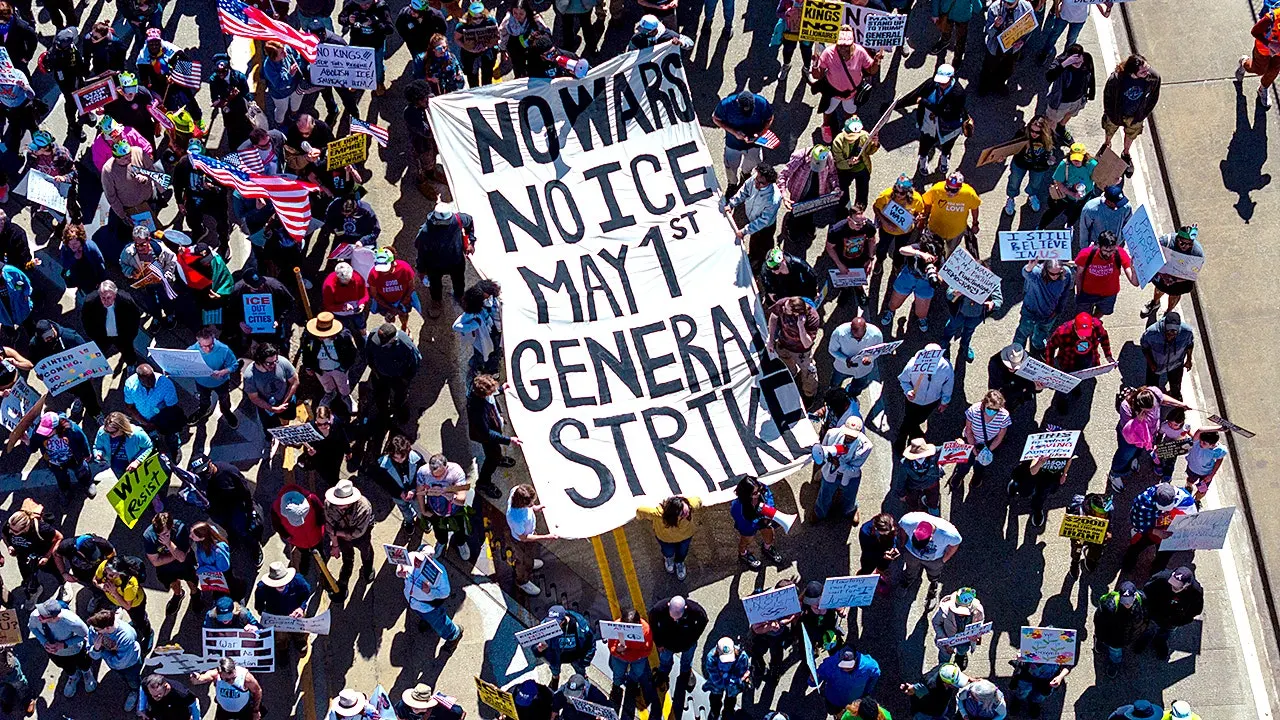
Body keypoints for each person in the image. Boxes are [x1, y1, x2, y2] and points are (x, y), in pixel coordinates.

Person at [1110, 386, 1190, 492]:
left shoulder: (1152, 393)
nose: (1152, 411)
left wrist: (1180, 404)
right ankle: (1115, 474)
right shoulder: (1126, 407)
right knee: (1125, 455)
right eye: (1148, 410)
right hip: (1131, 439)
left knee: (1138, 451)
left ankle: (1134, 459)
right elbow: (1127, 432)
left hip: (1147, 437)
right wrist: (1137, 420)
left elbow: (1161, 398)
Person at [897, 64, 972, 174]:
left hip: (949, 125)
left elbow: (946, 114)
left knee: (948, 144)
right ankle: (923, 158)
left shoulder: (958, 94)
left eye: (944, 82)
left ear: (951, 78)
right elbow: (915, 95)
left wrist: (924, 102)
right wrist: (896, 106)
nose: (941, 84)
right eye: (939, 81)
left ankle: (944, 157)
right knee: (925, 143)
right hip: (929, 123)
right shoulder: (932, 83)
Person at [812, 30, 878, 143]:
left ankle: (849, 129)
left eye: (846, 45)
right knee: (828, 110)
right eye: (840, 45)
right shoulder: (828, 53)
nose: (843, 48)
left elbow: (871, 70)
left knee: (850, 112)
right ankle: (826, 126)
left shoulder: (860, 52)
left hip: (852, 93)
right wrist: (815, 64)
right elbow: (818, 75)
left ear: (852, 43)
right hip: (833, 92)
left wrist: (876, 61)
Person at [1102, 53, 1161, 177]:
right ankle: (1106, 145)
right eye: (1143, 72)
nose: (1147, 73)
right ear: (1132, 73)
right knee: (1109, 129)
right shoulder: (1116, 79)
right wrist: (1111, 115)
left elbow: (1153, 98)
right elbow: (1107, 98)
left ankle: (1126, 153)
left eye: (1147, 68)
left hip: (1135, 116)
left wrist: (1142, 115)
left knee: (1131, 134)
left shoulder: (1153, 78)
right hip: (1116, 114)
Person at [415, 202, 475, 316]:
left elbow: (470, 221)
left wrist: (471, 241)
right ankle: (436, 301)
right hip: (434, 265)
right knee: (434, 284)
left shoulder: (458, 219)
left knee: (459, 281)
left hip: (456, 260)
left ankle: (459, 295)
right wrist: (421, 269)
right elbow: (421, 252)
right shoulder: (425, 232)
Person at [879, 232, 946, 334]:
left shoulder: (940, 258)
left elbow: (942, 278)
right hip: (909, 276)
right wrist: (920, 254)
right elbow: (902, 250)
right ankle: (890, 311)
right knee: (894, 303)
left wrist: (935, 274)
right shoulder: (919, 247)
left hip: (925, 283)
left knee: (921, 312)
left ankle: (922, 319)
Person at [1121, 482, 1196, 572]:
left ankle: (1156, 573)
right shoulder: (1143, 503)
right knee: (1136, 547)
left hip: (1170, 535)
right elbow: (1138, 522)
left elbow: (1194, 521)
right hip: (1149, 531)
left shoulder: (1186, 500)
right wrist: (1155, 532)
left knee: (1163, 559)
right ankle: (1128, 564)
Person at [894, 343, 954, 455]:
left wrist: (945, 401)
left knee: (919, 419)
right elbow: (903, 380)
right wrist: (908, 391)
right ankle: (901, 441)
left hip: (931, 402)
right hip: (913, 401)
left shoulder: (946, 368)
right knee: (908, 421)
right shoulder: (913, 364)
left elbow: (948, 385)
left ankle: (913, 437)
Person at [777, 145, 839, 250]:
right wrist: (784, 195)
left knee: (811, 212)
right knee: (796, 215)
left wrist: (836, 187)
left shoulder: (828, 156)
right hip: (799, 193)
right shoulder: (799, 157)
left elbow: (832, 174)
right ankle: (791, 228)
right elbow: (783, 175)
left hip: (818, 193)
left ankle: (807, 226)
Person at [30, 598, 94, 698]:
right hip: (54, 652)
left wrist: (64, 644)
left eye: (43, 616)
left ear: (54, 617)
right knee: (66, 667)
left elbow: (86, 635)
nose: (38, 617)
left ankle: (87, 673)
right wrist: (44, 642)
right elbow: (32, 628)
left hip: (74, 650)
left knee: (84, 663)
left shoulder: (72, 621)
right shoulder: (35, 615)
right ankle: (73, 677)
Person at [399, 548, 465, 644]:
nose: (416, 563)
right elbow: (400, 567)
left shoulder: (440, 573)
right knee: (424, 616)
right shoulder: (411, 558)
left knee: (440, 623)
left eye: (420, 561)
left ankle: (454, 634)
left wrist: (429, 591)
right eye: (416, 558)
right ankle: (426, 620)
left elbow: (445, 593)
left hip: (428, 607)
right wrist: (400, 573)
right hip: (413, 602)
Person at [724, 163, 783, 269]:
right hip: (753, 219)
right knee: (754, 243)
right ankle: (753, 257)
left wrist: (744, 231)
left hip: (765, 227)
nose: (756, 184)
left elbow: (763, 221)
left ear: (769, 182)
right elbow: (744, 191)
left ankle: (760, 264)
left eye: (761, 183)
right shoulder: (755, 179)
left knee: (762, 245)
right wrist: (732, 204)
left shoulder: (773, 199)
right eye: (756, 179)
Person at [712, 90, 774, 190]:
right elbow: (716, 119)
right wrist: (734, 132)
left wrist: (760, 133)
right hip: (733, 143)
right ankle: (732, 184)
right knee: (730, 166)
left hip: (754, 143)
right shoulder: (726, 105)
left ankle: (745, 174)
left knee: (753, 162)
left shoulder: (762, 103)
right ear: (737, 103)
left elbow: (769, 118)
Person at [1138, 567, 1203, 660]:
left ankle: (1159, 642)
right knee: (1148, 628)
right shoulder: (1161, 578)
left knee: (1165, 633)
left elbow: (1195, 610)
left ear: (1186, 585)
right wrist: (1149, 610)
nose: (1172, 587)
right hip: (1154, 614)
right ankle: (1144, 639)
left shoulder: (1196, 592)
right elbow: (1147, 591)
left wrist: (1180, 622)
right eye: (1171, 583)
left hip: (1172, 621)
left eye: (1176, 587)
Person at [828, 317, 886, 421]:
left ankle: (850, 398)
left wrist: (870, 358)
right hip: (842, 367)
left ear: (865, 329)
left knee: (858, 386)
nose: (856, 339)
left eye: (859, 338)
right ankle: (833, 399)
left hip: (863, 369)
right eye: (853, 336)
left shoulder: (876, 334)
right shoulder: (839, 332)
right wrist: (845, 359)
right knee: (835, 384)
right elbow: (832, 350)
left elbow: (878, 350)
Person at [123, 364, 186, 461]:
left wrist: (157, 422)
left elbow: (172, 408)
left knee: (171, 434)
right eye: (146, 381)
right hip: (142, 419)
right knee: (148, 438)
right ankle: (153, 448)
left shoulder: (166, 384)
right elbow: (130, 407)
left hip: (163, 416)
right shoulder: (130, 385)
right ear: (139, 379)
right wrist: (145, 422)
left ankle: (175, 447)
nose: (151, 383)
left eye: (152, 378)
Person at [416, 452, 472, 561]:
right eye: (434, 476)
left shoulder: (456, 472)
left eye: (441, 475)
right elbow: (420, 491)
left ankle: (461, 543)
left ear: (446, 467)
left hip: (455, 510)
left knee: (459, 529)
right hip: (434, 510)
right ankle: (441, 542)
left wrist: (447, 495)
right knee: (438, 529)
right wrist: (423, 510)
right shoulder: (423, 472)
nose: (438, 479)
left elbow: (462, 500)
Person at [814, 415, 872, 520]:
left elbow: (855, 467)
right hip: (831, 471)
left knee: (850, 496)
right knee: (824, 494)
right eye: (847, 433)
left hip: (850, 475)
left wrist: (840, 464)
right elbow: (823, 450)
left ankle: (851, 511)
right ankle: (819, 513)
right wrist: (829, 459)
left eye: (853, 436)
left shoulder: (866, 446)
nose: (849, 437)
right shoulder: (832, 433)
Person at [949, 390, 1011, 488]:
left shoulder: (1004, 416)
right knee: (964, 463)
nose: (992, 411)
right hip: (971, 439)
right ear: (984, 403)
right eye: (989, 408)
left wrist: (987, 450)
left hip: (988, 443)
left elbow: (1000, 437)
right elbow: (969, 431)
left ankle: (977, 476)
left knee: (981, 464)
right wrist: (973, 449)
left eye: (996, 410)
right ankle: (959, 475)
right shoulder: (974, 411)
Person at [468, 373, 516, 499]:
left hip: (493, 429)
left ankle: (498, 458)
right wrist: (508, 440)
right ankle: (483, 483)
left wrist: (501, 389)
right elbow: (486, 433)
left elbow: (493, 396)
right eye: (492, 390)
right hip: (487, 436)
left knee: (495, 451)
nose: (494, 390)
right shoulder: (477, 410)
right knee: (491, 457)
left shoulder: (483, 395)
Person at [86, 608, 144, 710]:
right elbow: (92, 654)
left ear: (108, 628)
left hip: (130, 664)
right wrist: (95, 649)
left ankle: (135, 691)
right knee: (122, 676)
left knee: (133, 680)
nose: (94, 631)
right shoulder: (95, 627)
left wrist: (101, 651)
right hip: (115, 663)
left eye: (97, 630)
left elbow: (119, 663)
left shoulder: (126, 636)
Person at [944, 263, 1002, 364]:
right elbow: (948, 294)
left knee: (969, 331)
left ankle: (965, 346)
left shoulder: (992, 282)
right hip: (959, 313)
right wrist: (955, 293)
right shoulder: (963, 277)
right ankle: (945, 342)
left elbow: (998, 301)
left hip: (976, 316)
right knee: (951, 327)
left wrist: (992, 304)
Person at [871, 174, 924, 282]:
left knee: (900, 250)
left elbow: (920, 212)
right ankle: (879, 261)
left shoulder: (916, 199)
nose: (898, 195)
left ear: (908, 192)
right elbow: (876, 207)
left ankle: (897, 265)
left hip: (905, 231)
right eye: (896, 191)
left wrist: (918, 218)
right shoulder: (886, 195)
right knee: (882, 247)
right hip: (886, 229)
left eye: (902, 193)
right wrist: (884, 222)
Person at [243, 343, 299, 445]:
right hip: (266, 407)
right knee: (268, 428)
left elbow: (295, 382)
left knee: (287, 419)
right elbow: (254, 398)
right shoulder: (250, 376)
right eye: (269, 363)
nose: (274, 365)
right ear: (260, 360)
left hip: (286, 401)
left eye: (275, 361)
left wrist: (284, 403)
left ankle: (286, 433)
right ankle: (269, 439)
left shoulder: (282, 362)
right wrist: (272, 409)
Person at [765, 296, 821, 400]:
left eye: (786, 310)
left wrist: (801, 327)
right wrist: (771, 339)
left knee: (808, 372)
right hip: (784, 344)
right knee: (785, 364)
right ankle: (791, 375)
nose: (783, 309)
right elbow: (774, 317)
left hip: (802, 352)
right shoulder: (784, 303)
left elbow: (807, 344)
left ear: (796, 313)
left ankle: (809, 394)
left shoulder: (812, 318)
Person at [1013, 260, 1073, 355]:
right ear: (1045, 270)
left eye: (1058, 273)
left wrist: (1058, 310)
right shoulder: (1037, 274)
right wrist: (1030, 266)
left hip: (1049, 314)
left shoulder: (1067, 274)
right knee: (1022, 334)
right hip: (1030, 313)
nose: (1055, 276)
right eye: (1052, 274)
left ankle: (1040, 348)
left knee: (1042, 335)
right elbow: (1026, 273)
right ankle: (1016, 352)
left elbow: (1065, 293)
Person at [635, 495, 701, 580]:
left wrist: (639, 517)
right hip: (666, 539)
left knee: (682, 552)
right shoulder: (658, 514)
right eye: (683, 514)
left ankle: (679, 562)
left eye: (688, 510)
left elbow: (698, 500)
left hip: (685, 537)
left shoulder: (690, 506)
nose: (687, 514)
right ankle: (669, 559)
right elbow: (640, 511)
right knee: (668, 552)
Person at [823, 208, 877, 310]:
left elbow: (872, 240)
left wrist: (870, 259)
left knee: (860, 276)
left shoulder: (868, 226)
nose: (861, 226)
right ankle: (845, 290)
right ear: (849, 219)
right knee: (845, 277)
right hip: (843, 259)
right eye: (857, 223)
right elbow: (830, 247)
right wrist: (839, 264)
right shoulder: (837, 230)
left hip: (861, 258)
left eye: (863, 222)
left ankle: (859, 290)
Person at [143, 513, 199, 613]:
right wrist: (175, 554)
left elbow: (182, 558)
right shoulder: (148, 536)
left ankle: (195, 594)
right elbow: (156, 562)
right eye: (158, 534)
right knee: (173, 583)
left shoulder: (180, 528)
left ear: (171, 526)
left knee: (192, 581)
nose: (161, 537)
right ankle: (178, 594)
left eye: (165, 533)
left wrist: (168, 544)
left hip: (185, 565)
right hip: (165, 568)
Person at [649, 596, 707, 689]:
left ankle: (686, 671)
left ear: (685, 608)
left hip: (687, 644)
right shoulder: (658, 609)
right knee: (665, 660)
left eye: (678, 617)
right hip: (666, 644)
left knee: (687, 660)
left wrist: (694, 638)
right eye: (672, 617)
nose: (675, 619)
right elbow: (653, 624)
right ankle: (663, 671)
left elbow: (703, 620)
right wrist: (658, 643)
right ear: (668, 605)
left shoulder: (696, 610)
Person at [506, 483, 555, 595]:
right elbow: (524, 538)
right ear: (522, 504)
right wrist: (546, 537)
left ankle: (530, 563)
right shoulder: (516, 518)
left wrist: (534, 508)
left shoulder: (516, 491)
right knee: (522, 562)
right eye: (530, 503)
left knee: (529, 556)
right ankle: (522, 581)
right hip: (521, 543)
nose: (532, 504)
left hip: (528, 533)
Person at [82, 280, 143, 370]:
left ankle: (131, 364)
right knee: (100, 351)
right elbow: (86, 320)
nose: (105, 301)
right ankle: (98, 366)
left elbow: (135, 318)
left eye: (108, 297)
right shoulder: (90, 302)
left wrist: (130, 335)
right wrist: (93, 335)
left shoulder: (125, 300)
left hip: (122, 335)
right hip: (102, 336)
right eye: (103, 298)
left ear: (114, 295)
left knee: (128, 351)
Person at [531, 605, 595, 689]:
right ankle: (555, 680)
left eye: (556, 623)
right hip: (555, 658)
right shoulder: (545, 626)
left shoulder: (580, 625)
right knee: (555, 672)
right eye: (550, 622)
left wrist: (585, 662)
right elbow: (534, 647)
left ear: (563, 620)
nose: (552, 626)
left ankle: (583, 678)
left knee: (580, 671)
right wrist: (538, 649)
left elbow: (591, 643)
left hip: (577, 658)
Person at [898, 512, 962, 596]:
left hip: (934, 560)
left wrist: (943, 560)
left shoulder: (949, 534)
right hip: (912, 554)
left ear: (931, 537)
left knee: (934, 573)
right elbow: (902, 528)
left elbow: (955, 544)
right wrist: (902, 543)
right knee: (910, 569)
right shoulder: (908, 521)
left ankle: (933, 582)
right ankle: (908, 580)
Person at [187, 327, 240, 428]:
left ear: (213, 338)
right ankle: (203, 410)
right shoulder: (191, 351)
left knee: (224, 399)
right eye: (204, 346)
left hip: (221, 382)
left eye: (211, 345)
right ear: (198, 341)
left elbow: (234, 365)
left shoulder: (224, 349)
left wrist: (223, 372)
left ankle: (226, 412)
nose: (208, 349)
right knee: (204, 399)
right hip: (201, 383)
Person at [605, 608, 659, 709]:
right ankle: (616, 687)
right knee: (618, 674)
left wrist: (632, 654)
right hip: (620, 657)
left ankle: (632, 685)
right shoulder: (616, 626)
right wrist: (617, 650)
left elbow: (647, 649)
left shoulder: (645, 630)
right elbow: (611, 646)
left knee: (637, 673)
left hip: (637, 659)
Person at [31, 412, 93, 498]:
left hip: (74, 458)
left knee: (82, 471)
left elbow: (82, 440)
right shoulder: (39, 433)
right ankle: (65, 490)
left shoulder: (71, 428)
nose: (44, 434)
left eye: (48, 431)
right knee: (61, 478)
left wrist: (86, 453)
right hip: (55, 463)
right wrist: (27, 442)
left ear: (57, 427)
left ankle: (87, 483)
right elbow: (33, 448)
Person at [324, 479, 375, 584]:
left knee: (366, 551)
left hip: (360, 535)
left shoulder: (364, 508)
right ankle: (346, 570)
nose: (338, 505)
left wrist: (337, 533)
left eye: (342, 503)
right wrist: (335, 545)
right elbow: (329, 526)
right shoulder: (328, 505)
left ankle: (368, 567)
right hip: (341, 534)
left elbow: (359, 532)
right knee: (347, 554)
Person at [91, 412, 154, 496]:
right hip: (116, 467)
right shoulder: (102, 432)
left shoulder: (137, 434)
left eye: (113, 432)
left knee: (144, 482)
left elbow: (148, 447)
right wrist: (99, 453)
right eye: (107, 431)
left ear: (122, 427)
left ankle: (153, 496)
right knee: (128, 486)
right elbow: (97, 447)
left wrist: (137, 461)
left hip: (137, 467)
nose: (110, 434)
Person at [748, 577, 800, 679]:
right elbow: (756, 629)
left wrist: (784, 622)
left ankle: (774, 670)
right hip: (762, 634)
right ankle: (759, 667)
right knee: (757, 652)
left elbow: (794, 613)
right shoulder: (761, 602)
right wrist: (769, 627)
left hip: (778, 635)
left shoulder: (789, 598)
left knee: (776, 655)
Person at [1043, 45, 1096, 145]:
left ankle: (1061, 128)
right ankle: (1048, 137)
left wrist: (1091, 92)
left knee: (1070, 114)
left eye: (1079, 61)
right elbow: (1049, 77)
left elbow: (1091, 73)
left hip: (1078, 99)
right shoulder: (1060, 62)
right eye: (1074, 62)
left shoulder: (1087, 58)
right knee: (1051, 120)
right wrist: (1064, 64)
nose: (1077, 64)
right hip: (1060, 101)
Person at [1147, 226, 1203, 317]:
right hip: (1163, 274)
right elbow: (1153, 256)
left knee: (1175, 295)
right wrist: (1162, 275)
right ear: (1177, 238)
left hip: (1181, 280)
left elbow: (1191, 273)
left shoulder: (1197, 253)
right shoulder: (1166, 241)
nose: (1186, 246)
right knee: (1159, 289)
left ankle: (1168, 312)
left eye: (1190, 244)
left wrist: (1174, 280)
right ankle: (1155, 303)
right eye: (1183, 243)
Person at [921, 171, 981, 257]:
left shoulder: (969, 194)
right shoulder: (937, 189)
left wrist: (975, 224)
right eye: (947, 188)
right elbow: (927, 203)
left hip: (956, 232)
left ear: (960, 187)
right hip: (935, 229)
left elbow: (975, 207)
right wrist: (924, 218)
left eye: (954, 190)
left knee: (950, 253)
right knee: (932, 251)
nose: (949, 192)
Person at [1004, 116, 1056, 214]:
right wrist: (1002, 156)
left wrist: (1051, 158)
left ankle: (1032, 195)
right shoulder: (1022, 133)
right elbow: (1010, 146)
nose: (1034, 134)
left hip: (1039, 165)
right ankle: (1011, 198)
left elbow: (1052, 148)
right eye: (1032, 130)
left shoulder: (1049, 136)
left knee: (1036, 183)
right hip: (1020, 162)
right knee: (1014, 181)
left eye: (1038, 132)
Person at [375, 434, 428, 530]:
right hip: (397, 496)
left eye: (402, 457)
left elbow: (422, 475)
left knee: (420, 508)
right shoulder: (383, 465)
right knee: (404, 510)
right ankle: (409, 521)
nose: (399, 460)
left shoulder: (417, 458)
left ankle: (423, 521)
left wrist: (413, 489)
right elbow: (384, 483)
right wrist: (399, 492)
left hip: (416, 494)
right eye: (395, 458)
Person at [1095, 581, 1147, 676]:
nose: (1127, 604)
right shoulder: (1109, 607)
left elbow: (1146, 615)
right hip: (1114, 638)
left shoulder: (1142, 599)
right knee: (1115, 652)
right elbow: (1099, 622)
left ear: (1135, 595)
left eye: (1129, 600)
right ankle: (1113, 661)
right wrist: (1100, 636)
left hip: (1130, 636)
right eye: (1124, 601)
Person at [730, 475, 783, 569]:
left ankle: (767, 548)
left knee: (770, 536)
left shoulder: (761, 488)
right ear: (746, 494)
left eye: (759, 490)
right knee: (745, 541)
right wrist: (757, 521)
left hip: (763, 520)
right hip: (748, 526)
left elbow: (768, 495)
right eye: (755, 493)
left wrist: (769, 509)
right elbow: (741, 520)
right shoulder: (737, 506)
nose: (758, 494)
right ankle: (743, 554)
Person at [452, 280, 502, 378]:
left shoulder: (493, 301)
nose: (488, 299)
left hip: (495, 332)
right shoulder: (471, 312)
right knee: (481, 354)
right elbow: (456, 326)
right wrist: (475, 325)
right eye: (485, 297)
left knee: (495, 352)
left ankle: (492, 369)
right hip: (483, 337)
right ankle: (478, 368)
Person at [1140, 311, 1194, 399]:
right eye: (1168, 332)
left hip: (1176, 364)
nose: (1171, 336)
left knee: (1176, 386)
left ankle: (1175, 397)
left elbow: (1189, 345)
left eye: (1174, 333)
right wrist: (1151, 364)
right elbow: (1144, 348)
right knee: (1152, 389)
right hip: (1156, 365)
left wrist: (1189, 360)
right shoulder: (1151, 333)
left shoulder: (1187, 332)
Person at [189, 657, 264, 720]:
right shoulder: (216, 675)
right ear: (220, 673)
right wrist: (196, 678)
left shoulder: (246, 678)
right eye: (227, 679)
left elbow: (258, 691)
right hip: (223, 711)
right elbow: (200, 679)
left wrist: (255, 710)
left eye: (233, 678)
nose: (231, 681)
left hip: (243, 710)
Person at [816, 645, 881, 717]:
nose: (846, 668)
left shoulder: (869, 665)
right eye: (843, 665)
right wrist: (812, 679)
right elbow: (814, 681)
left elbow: (875, 674)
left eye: (849, 665)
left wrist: (867, 692)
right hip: (833, 700)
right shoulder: (829, 664)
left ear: (856, 659)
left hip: (854, 703)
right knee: (833, 711)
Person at [832, 116, 879, 209]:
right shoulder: (838, 141)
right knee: (843, 193)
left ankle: (859, 211)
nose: (851, 139)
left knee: (863, 192)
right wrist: (849, 163)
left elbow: (869, 152)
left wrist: (875, 144)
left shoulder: (865, 136)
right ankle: (844, 211)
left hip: (863, 168)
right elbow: (838, 163)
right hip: (845, 171)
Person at [1237, 7, 1280, 107]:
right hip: (1263, 49)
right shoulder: (1272, 17)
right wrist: (1270, 44)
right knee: (1259, 70)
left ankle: (1263, 89)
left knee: (1273, 71)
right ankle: (1244, 62)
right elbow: (1255, 31)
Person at [1006, 650, 1071, 715]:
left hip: (1048, 678)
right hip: (1027, 672)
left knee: (1040, 694)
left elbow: (1069, 663)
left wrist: (1060, 677)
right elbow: (1025, 648)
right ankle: (1018, 700)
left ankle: (1034, 703)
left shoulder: (1069, 644)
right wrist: (1021, 653)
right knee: (1022, 690)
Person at [932, 587, 984, 668]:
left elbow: (980, 622)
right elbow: (936, 623)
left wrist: (977, 634)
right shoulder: (944, 609)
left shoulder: (978, 610)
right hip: (948, 639)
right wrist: (945, 641)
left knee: (963, 649)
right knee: (945, 656)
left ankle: (960, 656)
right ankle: (943, 666)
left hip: (965, 640)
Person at [703, 637, 750, 720]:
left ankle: (727, 713)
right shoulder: (711, 658)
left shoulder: (742, 656)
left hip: (732, 688)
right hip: (719, 686)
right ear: (717, 651)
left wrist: (724, 675)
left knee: (731, 701)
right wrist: (735, 679)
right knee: (715, 699)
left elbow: (742, 673)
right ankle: (715, 711)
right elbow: (717, 681)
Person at [1065, 492, 1112, 576]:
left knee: (1097, 550)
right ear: (1092, 511)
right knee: (1076, 549)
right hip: (1079, 536)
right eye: (1100, 515)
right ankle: (1075, 562)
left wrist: (1108, 532)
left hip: (1098, 536)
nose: (1103, 516)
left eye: (1105, 514)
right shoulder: (1077, 512)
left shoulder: (1107, 511)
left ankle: (1091, 559)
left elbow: (1109, 523)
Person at [261, 41, 304, 125]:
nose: (285, 53)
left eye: (284, 49)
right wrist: (290, 74)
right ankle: (279, 123)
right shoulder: (268, 67)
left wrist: (299, 65)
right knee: (281, 110)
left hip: (295, 87)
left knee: (296, 104)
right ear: (273, 57)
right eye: (281, 53)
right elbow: (279, 84)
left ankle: (293, 115)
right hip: (280, 94)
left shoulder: (287, 48)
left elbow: (297, 57)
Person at [323, 262, 370, 332]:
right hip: (339, 312)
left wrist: (362, 303)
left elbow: (364, 294)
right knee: (343, 325)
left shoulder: (357, 277)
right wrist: (342, 307)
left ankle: (363, 332)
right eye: (343, 280)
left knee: (360, 322)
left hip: (356, 309)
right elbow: (328, 305)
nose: (347, 281)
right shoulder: (328, 285)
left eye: (348, 279)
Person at [858, 512, 903, 583]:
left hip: (885, 552)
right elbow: (867, 552)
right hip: (871, 555)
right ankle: (860, 580)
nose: (888, 533)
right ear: (876, 529)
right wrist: (882, 556)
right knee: (867, 569)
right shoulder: (865, 532)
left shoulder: (889, 525)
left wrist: (893, 548)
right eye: (885, 533)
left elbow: (893, 538)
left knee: (883, 566)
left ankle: (880, 573)